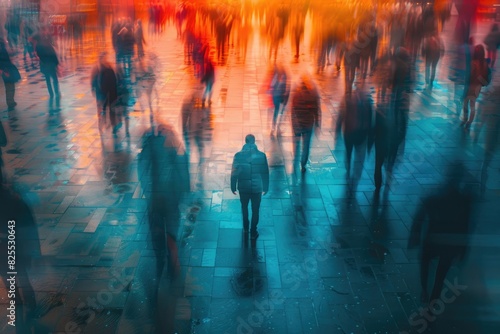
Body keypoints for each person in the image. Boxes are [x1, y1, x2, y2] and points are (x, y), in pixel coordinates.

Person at [408, 162, 473, 303]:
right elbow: (466, 225)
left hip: (432, 238)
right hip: (449, 242)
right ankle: (435, 295)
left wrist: (415, 236)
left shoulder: (435, 194)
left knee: (424, 263)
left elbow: (420, 216)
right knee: (441, 273)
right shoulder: (463, 200)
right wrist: (463, 248)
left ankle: (424, 289)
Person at [0, 184, 41, 332]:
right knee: (21, 277)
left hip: (10, 247)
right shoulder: (15, 199)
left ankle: (20, 307)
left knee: (13, 280)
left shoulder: (13, 200)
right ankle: (28, 306)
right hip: (14, 247)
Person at [231, 134, 269, 240]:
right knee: (255, 210)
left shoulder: (238, 155)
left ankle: (245, 227)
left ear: (245, 141)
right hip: (257, 188)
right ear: (254, 141)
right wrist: (266, 187)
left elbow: (234, 172)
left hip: (243, 188)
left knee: (244, 207)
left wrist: (233, 186)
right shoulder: (261, 155)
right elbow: (265, 172)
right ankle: (253, 232)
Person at [291, 74, 321, 173]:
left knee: (297, 144)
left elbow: (293, 111)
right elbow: (316, 110)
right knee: (306, 145)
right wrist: (317, 123)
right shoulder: (312, 96)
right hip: (308, 124)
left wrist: (294, 124)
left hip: (298, 125)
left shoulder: (296, 95)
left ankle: (296, 158)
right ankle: (303, 164)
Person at [90, 53, 120, 136]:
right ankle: (103, 125)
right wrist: (93, 89)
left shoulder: (107, 67)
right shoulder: (98, 68)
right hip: (102, 93)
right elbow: (93, 80)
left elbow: (114, 80)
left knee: (110, 110)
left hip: (107, 93)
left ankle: (111, 126)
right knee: (103, 110)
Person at [462, 44, 490, 129]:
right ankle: (469, 122)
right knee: (472, 104)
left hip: (470, 86)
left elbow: (469, 76)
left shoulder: (473, 63)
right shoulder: (485, 63)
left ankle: (465, 119)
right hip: (478, 87)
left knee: (466, 103)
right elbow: (484, 76)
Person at [33, 26, 60, 99]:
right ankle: (57, 93)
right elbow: (54, 55)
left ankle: (51, 94)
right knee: (54, 79)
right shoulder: (48, 45)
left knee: (48, 80)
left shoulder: (38, 46)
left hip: (45, 65)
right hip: (51, 65)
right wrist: (57, 64)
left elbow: (39, 55)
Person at [269, 65, 289, 136]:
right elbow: (287, 89)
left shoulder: (276, 76)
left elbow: (272, 85)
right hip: (281, 97)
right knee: (280, 113)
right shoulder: (284, 77)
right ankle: (277, 127)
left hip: (276, 97)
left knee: (276, 112)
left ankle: (274, 127)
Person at [0, 39, 20, 110]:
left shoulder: (3, 49)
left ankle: (11, 101)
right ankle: (10, 102)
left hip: (7, 69)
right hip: (7, 70)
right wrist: (4, 71)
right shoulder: (2, 50)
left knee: (10, 86)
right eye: (5, 41)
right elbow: (3, 62)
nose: (6, 41)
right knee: (10, 87)